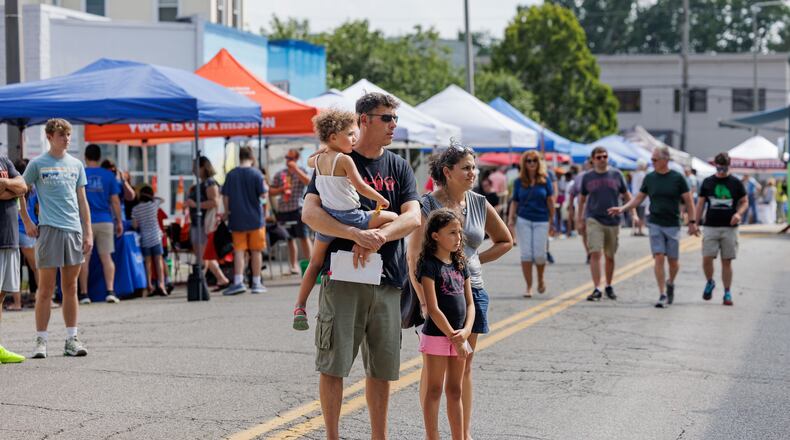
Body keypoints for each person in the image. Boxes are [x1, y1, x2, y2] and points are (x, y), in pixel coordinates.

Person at [301, 92, 421, 440]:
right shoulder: (334, 158)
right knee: (333, 365)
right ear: (363, 120)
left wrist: (377, 237)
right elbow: (311, 213)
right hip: (342, 279)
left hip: (387, 281)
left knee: (382, 370)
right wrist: (353, 232)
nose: (393, 126)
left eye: (395, 119)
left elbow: (413, 218)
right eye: (387, 118)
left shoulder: (398, 166)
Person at [407, 145, 512, 440]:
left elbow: (505, 240)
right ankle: (432, 434)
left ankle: (461, 434)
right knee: (432, 373)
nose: (473, 172)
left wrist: (471, 261)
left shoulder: (479, 202)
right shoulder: (426, 204)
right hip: (434, 292)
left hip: (471, 291)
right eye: (466, 167)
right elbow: (413, 256)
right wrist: (425, 301)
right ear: (447, 172)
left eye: (474, 167)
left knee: (463, 367)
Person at [293, 109, 396, 330]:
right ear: (333, 137)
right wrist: (381, 200)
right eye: (350, 134)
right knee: (393, 218)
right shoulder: (345, 160)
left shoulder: (317, 160)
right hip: (352, 217)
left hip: (328, 220)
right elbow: (361, 187)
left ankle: (300, 306)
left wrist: (324, 148)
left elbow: (311, 160)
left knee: (314, 263)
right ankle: (366, 245)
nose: (355, 139)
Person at [21, 119, 93, 358]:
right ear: (50, 137)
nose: (67, 139)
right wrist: (28, 222)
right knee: (45, 289)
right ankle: (41, 341)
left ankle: (71, 339)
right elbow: (20, 191)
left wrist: (88, 231)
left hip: (73, 230)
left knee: (71, 287)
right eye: (62, 135)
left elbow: (82, 201)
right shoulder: (37, 163)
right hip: (49, 230)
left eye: (69, 135)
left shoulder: (76, 164)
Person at [608, 146, 698, 308]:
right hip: (655, 222)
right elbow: (638, 199)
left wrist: (692, 222)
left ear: (665, 160)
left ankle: (670, 283)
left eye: (655, 160)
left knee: (673, 262)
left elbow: (689, 202)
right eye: (651, 160)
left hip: (672, 224)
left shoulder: (678, 178)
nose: (652, 163)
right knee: (659, 257)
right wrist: (622, 208)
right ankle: (662, 293)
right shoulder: (650, 178)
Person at [416, 209, 474, 440]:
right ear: (435, 236)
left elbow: (470, 304)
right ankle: (433, 436)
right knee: (434, 389)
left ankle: (458, 437)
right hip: (438, 336)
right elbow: (432, 308)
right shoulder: (428, 265)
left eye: (459, 232)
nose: (458, 237)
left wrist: (467, 331)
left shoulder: (460, 263)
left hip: (460, 335)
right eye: (451, 232)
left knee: (455, 390)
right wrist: (454, 337)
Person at [576, 146, 634, 301]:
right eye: (599, 157)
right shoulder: (587, 177)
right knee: (595, 252)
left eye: (605, 156)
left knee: (610, 255)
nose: (602, 159)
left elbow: (626, 194)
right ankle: (597, 288)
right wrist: (580, 219)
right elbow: (582, 199)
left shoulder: (616, 174)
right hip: (594, 218)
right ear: (593, 160)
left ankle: (608, 285)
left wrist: (632, 213)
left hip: (613, 220)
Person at [695, 153, 747, 306]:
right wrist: (694, 223)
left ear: (729, 165)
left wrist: (738, 213)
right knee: (707, 258)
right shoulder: (708, 182)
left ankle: (727, 292)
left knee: (727, 261)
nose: (721, 170)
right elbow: (700, 204)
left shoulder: (736, 183)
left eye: (724, 167)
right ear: (715, 165)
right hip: (710, 225)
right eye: (719, 167)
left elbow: (745, 202)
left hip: (729, 228)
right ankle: (710, 281)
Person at [221, 146, 269, 296]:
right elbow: (263, 196)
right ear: (252, 157)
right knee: (256, 251)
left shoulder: (231, 175)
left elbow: (225, 197)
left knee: (239, 252)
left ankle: (238, 282)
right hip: (255, 219)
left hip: (237, 218)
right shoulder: (257, 174)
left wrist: (228, 213)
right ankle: (256, 282)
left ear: (239, 157)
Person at [78, 144, 123, 304]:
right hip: (105, 220)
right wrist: (119, 221)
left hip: (85, 222)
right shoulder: (108, 176)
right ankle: (110, 291)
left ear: (85, 156)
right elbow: (116, 201)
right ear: (99, 157)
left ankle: (84, 294)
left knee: (84, 258)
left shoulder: (80, 172)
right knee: (107, 257)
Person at [507, 150, 555, 298]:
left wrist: (552, 222)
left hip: (542, 219)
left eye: (535, 160)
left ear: (539, 162)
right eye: (529, 161)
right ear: (524, 163)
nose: (532, 163)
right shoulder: (518, 181)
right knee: (526, 254)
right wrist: (510, 219)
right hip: (524, 219)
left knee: (540, 255)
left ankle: (540, 279)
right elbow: (514, 201)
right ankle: (528, 286)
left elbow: (550, 201)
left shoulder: (545, 179)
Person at [0, 151, 28, 363]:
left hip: (9, 237)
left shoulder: (3, 158)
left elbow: (23, 186)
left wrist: (7, 184)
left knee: (1, 296)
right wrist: (12, 187)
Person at [186, 157, 230, 290]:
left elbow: (214, 202)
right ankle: (222, 279)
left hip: (203, 223)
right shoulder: (204, 183)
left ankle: (200, 284)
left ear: (203, 167)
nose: (193, 170)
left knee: (202, 255)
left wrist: (195, 204)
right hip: (198, 222)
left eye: (195, 167)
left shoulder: (209, 183)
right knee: (204, 254)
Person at [270, 149, 313, 274]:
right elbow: (271, 191)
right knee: (289, 238)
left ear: (296, 159)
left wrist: (296, 169)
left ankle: (310, 265)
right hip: (284, 210)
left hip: (298, 208)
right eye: (287, 158)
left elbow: (309, 182)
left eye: (291, 158)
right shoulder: (280, 174)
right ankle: (293, 266)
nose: (288, 161)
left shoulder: (302, 170)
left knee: (304, 237)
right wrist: (281, 190)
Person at [131, 185, 166, 297]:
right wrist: (152, 197)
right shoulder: (153, 205)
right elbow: (162, 200)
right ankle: (161, 284)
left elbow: (135, 225)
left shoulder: (135, 209)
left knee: (148, 263)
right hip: (156, 237)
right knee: (158, 261)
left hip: (144, 238)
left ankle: (149, 285)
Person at [569, 159, 592, 263]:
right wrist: (570, 208)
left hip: (595, 208)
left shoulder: (601, 175)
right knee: (584, 231)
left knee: (594, 231)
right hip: (582, 207)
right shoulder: (580, 176)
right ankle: (589, 253)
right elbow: (572, 192)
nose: (588, 166)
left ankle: (594, 252)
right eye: (587, 164)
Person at [630, 159, 648, 236]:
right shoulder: (642, 174)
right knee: (641, 215)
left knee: (635, 214)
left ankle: (634, 230)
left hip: (634, 196)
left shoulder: (635, 174)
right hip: (641, 197)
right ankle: (640, 230)